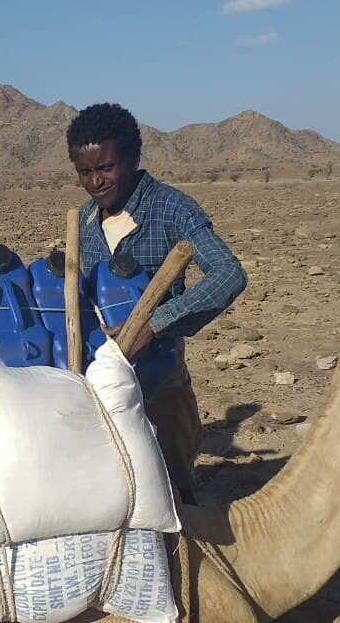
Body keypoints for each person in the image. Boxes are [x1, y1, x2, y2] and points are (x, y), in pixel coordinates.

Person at [67, 102, 246, 501]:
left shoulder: (172, 209)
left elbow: (228, 273)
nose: (95, 181)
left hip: (160, 382)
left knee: (174, 493)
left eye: (105, 167)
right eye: (84, 171)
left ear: (133, 157)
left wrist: (155, 323)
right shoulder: (82, 221)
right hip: (100, 382)